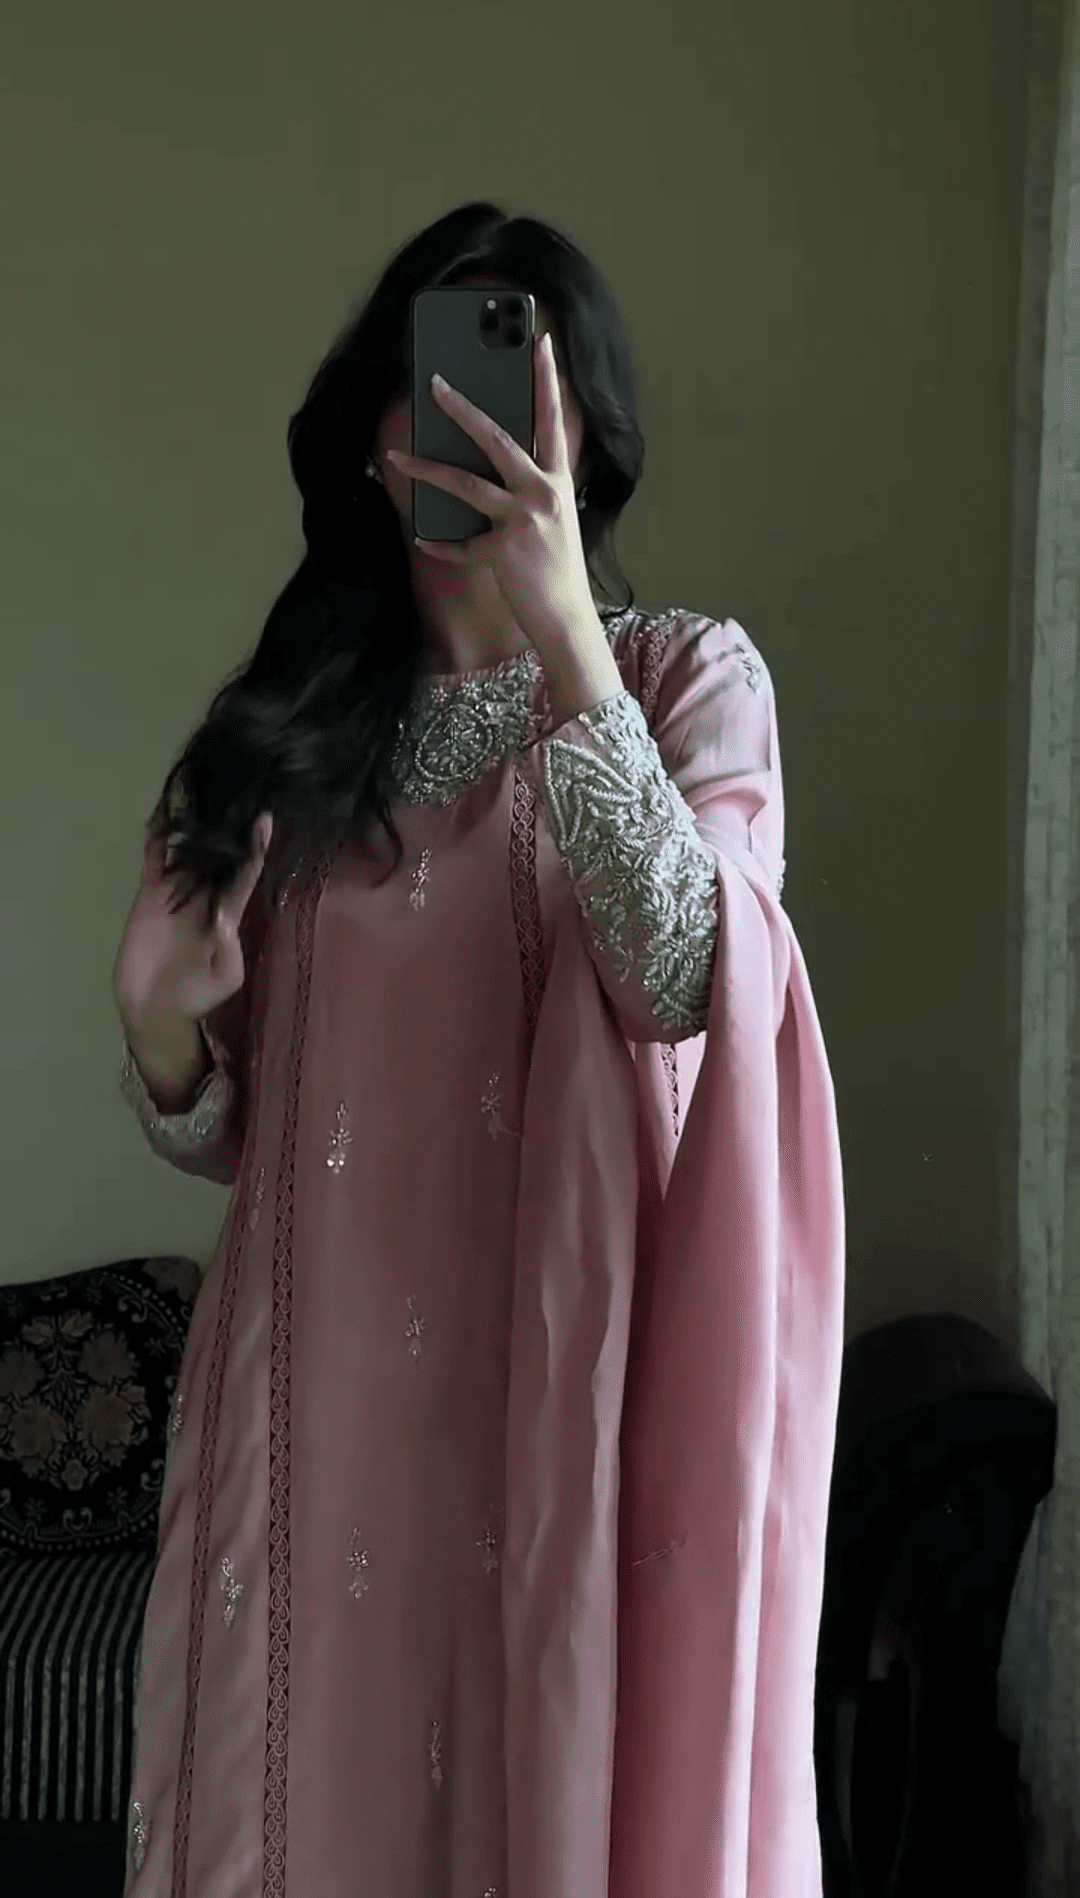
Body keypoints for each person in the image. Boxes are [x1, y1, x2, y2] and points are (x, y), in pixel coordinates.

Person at [112, 200, 845, 1898]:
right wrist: (160, 1029)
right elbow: (235, 1129)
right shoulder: (279, 738)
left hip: (555, 1403)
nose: (469, 424)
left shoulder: (682, 682)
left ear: (589, 431)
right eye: (428, 382)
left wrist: (566, 634)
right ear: (372, 433)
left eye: (519, 385)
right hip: (305, 1410)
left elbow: (691, 985)